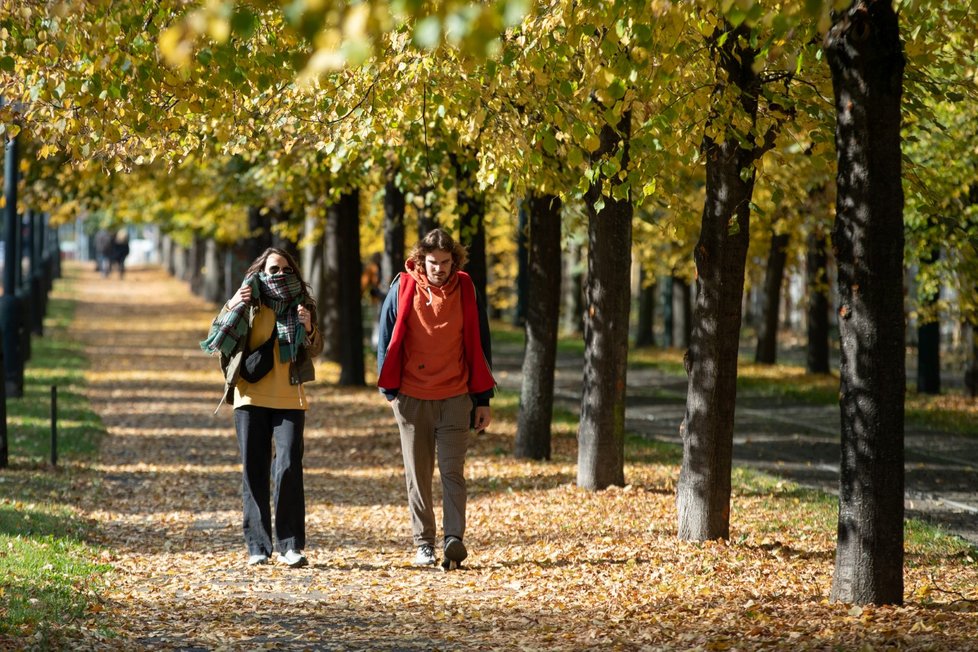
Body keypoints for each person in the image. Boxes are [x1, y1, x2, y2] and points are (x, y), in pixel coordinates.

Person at [376, 229, 495, 570]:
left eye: (445, 263)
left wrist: (482, 399)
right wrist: (390, 391)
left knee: (452, 472)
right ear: (420, 261)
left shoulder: (466, 290)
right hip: (411, 397)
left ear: (454, 262)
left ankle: (453, 540)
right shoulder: (403, 287)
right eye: (432, 262)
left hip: (456, 397)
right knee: (418, 473)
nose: (439, 269)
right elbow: (385, 338)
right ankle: (424, 543)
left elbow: (479, 344)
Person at [200, 247, 323, 568]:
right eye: (272, 269)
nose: (278, 274)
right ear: (261, 271)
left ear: (293, 272)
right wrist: (233, 304)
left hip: (290, 397)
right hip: (250, 395)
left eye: (284, 269)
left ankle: (290, 545)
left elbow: (317, 347)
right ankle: (257, 545)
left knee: (288, 466)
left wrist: (308, 328)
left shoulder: (302, 304)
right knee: (254, 470)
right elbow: (216, 337)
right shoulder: (248, 298)